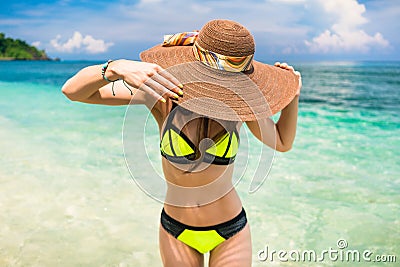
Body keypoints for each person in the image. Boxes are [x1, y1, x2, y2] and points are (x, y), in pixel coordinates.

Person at [62, 19, 301, 267]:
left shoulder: (240, 105)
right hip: (176, 230)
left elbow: (282, 142)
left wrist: (293, 96)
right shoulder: (163, 97)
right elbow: (73, 92)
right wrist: (115, 68)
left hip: (230, 229)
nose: (220, 86)